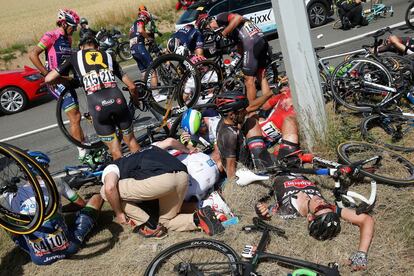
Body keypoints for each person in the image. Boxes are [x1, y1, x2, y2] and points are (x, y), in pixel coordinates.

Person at [45, 34, 141, 160]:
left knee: (115, 151)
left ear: (80, 47)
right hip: (117, 100)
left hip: (97, 106)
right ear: (97, 47)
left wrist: (70, 80)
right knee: (132, 142)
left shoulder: (75, 57)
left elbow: (49, 78)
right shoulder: (108, 56)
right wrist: (135, 101)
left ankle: (124, 175)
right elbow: (132, 87)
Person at [255, 172, 374, 271]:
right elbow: (365, 219)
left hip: (276, 170)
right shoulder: (328, 208)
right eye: (326, 205)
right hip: (296, 167)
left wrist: (262, 210)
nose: (322, 202)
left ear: (310, 217)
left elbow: (264, 209)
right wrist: (361, 253)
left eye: (320, 208)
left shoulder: (287, 211)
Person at [101, 145, 225, 237]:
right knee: (166, 220)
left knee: (105, 192)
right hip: (183, 176)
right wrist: (188, 149)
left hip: (164, 181)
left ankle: (150, 225)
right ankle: (198, 219)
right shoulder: (144, 150)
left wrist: (118, 213)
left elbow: (110, 187)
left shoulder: (111, 167)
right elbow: (170, 141)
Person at [4, 151, 103, 265]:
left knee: (7, 222)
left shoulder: (11, 196)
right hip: (68, 247)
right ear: (44, 167)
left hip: (39, 258)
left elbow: (15, 231)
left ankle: (32, 246)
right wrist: (59, 210)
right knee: (97, 198)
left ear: (24, 170)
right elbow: (80, 204)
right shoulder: (56, 183)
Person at [29, 9, 87, 161]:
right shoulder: (51, 35)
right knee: (74, 116)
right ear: (63, 23)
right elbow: (32, 54)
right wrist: (46, 74)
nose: (74, 30)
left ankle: (84, 145)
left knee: (77, 115)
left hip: (64, 79)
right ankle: (82, 151)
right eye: (72, 27)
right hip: (54, 81)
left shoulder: (67, 39)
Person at [197, 13, 273, 113]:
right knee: (261, 75)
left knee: (249, 80)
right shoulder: (227, 26)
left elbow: (238, 17)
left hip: (252, 42)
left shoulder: (220, 18)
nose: (211, 31)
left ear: (208, 22)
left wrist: (222, 34)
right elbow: (240, 43)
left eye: (207, 28)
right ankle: (269, 105)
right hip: (260, 39)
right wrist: (240, 58)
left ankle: (251, 112)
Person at [215, 90, 276, 178]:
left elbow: (252, 106)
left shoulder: (228, 119)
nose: (245, 112)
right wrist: (234, 188)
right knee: (252, 121)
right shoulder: (229, 135)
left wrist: (272, 92)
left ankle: (261, 159)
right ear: (232, 114)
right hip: (245, 171)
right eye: (242, 111)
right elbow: (230, 167)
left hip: (243, 153)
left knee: (252, 119)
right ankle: (263, 168)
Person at [129, 9, 155, 77]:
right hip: (139, 47)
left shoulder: (133, 26)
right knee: (152, 69)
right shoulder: (140, 21)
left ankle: (145, 87)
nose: (147, 22)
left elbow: (132, 36)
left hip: (132, 49)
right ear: (145, 17)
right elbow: (141, 31)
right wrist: (149, 38)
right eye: (148, 20)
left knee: (144, 72)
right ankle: (157, 87)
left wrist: (143, 41)